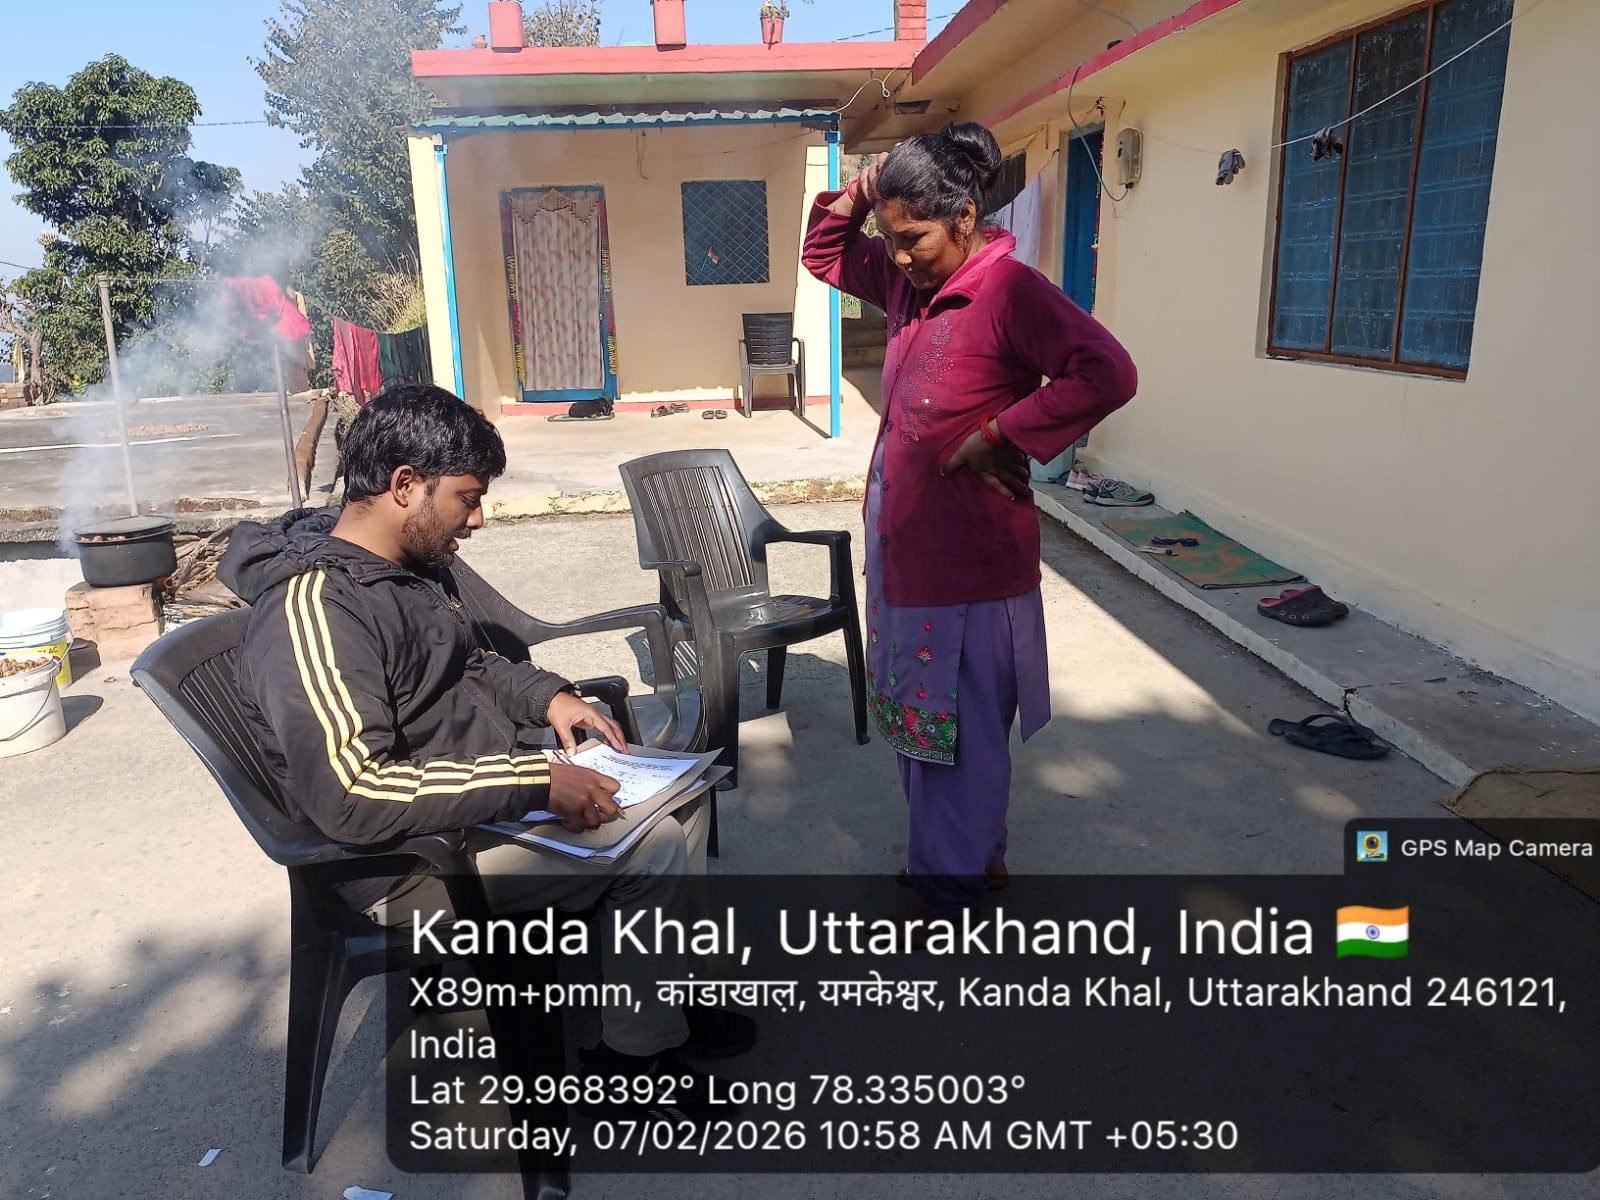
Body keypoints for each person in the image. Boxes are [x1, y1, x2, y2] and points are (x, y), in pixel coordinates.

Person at [219, 383, 752, 1093]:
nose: (477, 520)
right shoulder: (316, 608)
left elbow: (466, 660)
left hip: (466, 801)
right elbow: (352, 791)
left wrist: (548, 696)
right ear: (405, 485)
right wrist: (536, 781)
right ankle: (633, 1063)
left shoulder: (401, 570)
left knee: (685, 796)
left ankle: (665, 1000)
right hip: (406, 861)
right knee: (651, 848)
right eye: (467, 499)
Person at [803, 123, 1138, 912]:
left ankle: (947, 890)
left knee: (958, 737)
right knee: (928, 731)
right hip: (907, 555)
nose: (898, 256)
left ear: (962, 217)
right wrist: (864, 188)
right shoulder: (909, 287)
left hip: (968, 566)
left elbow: (1108, 372)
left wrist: (1001, 433)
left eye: (913, 238)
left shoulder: (1010, 292)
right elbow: (823, 253)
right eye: (890, 239)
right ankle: (971, 860)